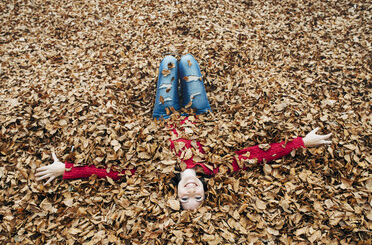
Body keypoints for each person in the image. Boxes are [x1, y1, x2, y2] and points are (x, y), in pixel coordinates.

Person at [36, 54, 332, 210]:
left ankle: (169, 75)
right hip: (198, 112)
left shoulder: (154, 175)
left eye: (185, 199)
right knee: (187, 60)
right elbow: (257, 154)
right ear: (205, 191)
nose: (192, 194)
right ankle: (185, 73)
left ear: (175, 193)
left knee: (168, 62)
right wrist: (301, 142)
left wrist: (67, 170)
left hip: (163, 116)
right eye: (198, 198)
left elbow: (109, 173)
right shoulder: (216, 169)